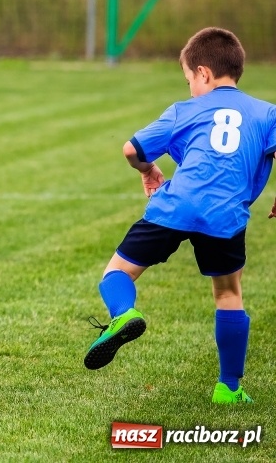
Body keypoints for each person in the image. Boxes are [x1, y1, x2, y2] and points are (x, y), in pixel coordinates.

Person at [83, 27, 276, 404]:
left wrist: (148, 170)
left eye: (188, 79)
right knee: (228, 294)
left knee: (117, 272)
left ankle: (124, 314)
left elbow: (130, 149)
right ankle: (229, 388)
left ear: (202, 73)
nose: (189, 87)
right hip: (225, 217)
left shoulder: (184, 110)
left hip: (176, 205)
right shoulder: (266, 113)